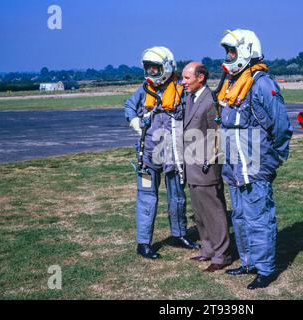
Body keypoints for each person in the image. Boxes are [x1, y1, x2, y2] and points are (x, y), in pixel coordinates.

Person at [217, 29, 293, 290]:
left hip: (255, 164)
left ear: (247, 51)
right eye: (227, 51)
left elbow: (281, 126)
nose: (228, 57)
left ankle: (265, 269)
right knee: (239, 215)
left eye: (232, 51)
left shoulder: (262, 83)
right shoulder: (231, 82)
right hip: (234, 166)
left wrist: (274, 158)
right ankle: (248, 260)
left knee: (259, 217)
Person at [124, 46, 199, 260]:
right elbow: (129, 106)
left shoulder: (180, 89)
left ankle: (179, 234)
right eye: (147, 68)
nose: (150, 73)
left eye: (155, 68)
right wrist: (134, 121)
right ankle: (144, 243)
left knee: (177, 197)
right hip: (148, 156)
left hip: (174, 155)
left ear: (165, 67)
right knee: (147, 198)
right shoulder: (143, 90)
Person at [181, 62, 232, 272]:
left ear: (200, 77)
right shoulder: (191, 98)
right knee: (200, 213)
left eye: (186, 78)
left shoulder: (210, 101)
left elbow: (216, 135)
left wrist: (211, 163)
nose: (183, 82)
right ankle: (208, 250)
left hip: (205, 167)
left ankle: (222, 255)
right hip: (191, 166)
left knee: (214, 212)